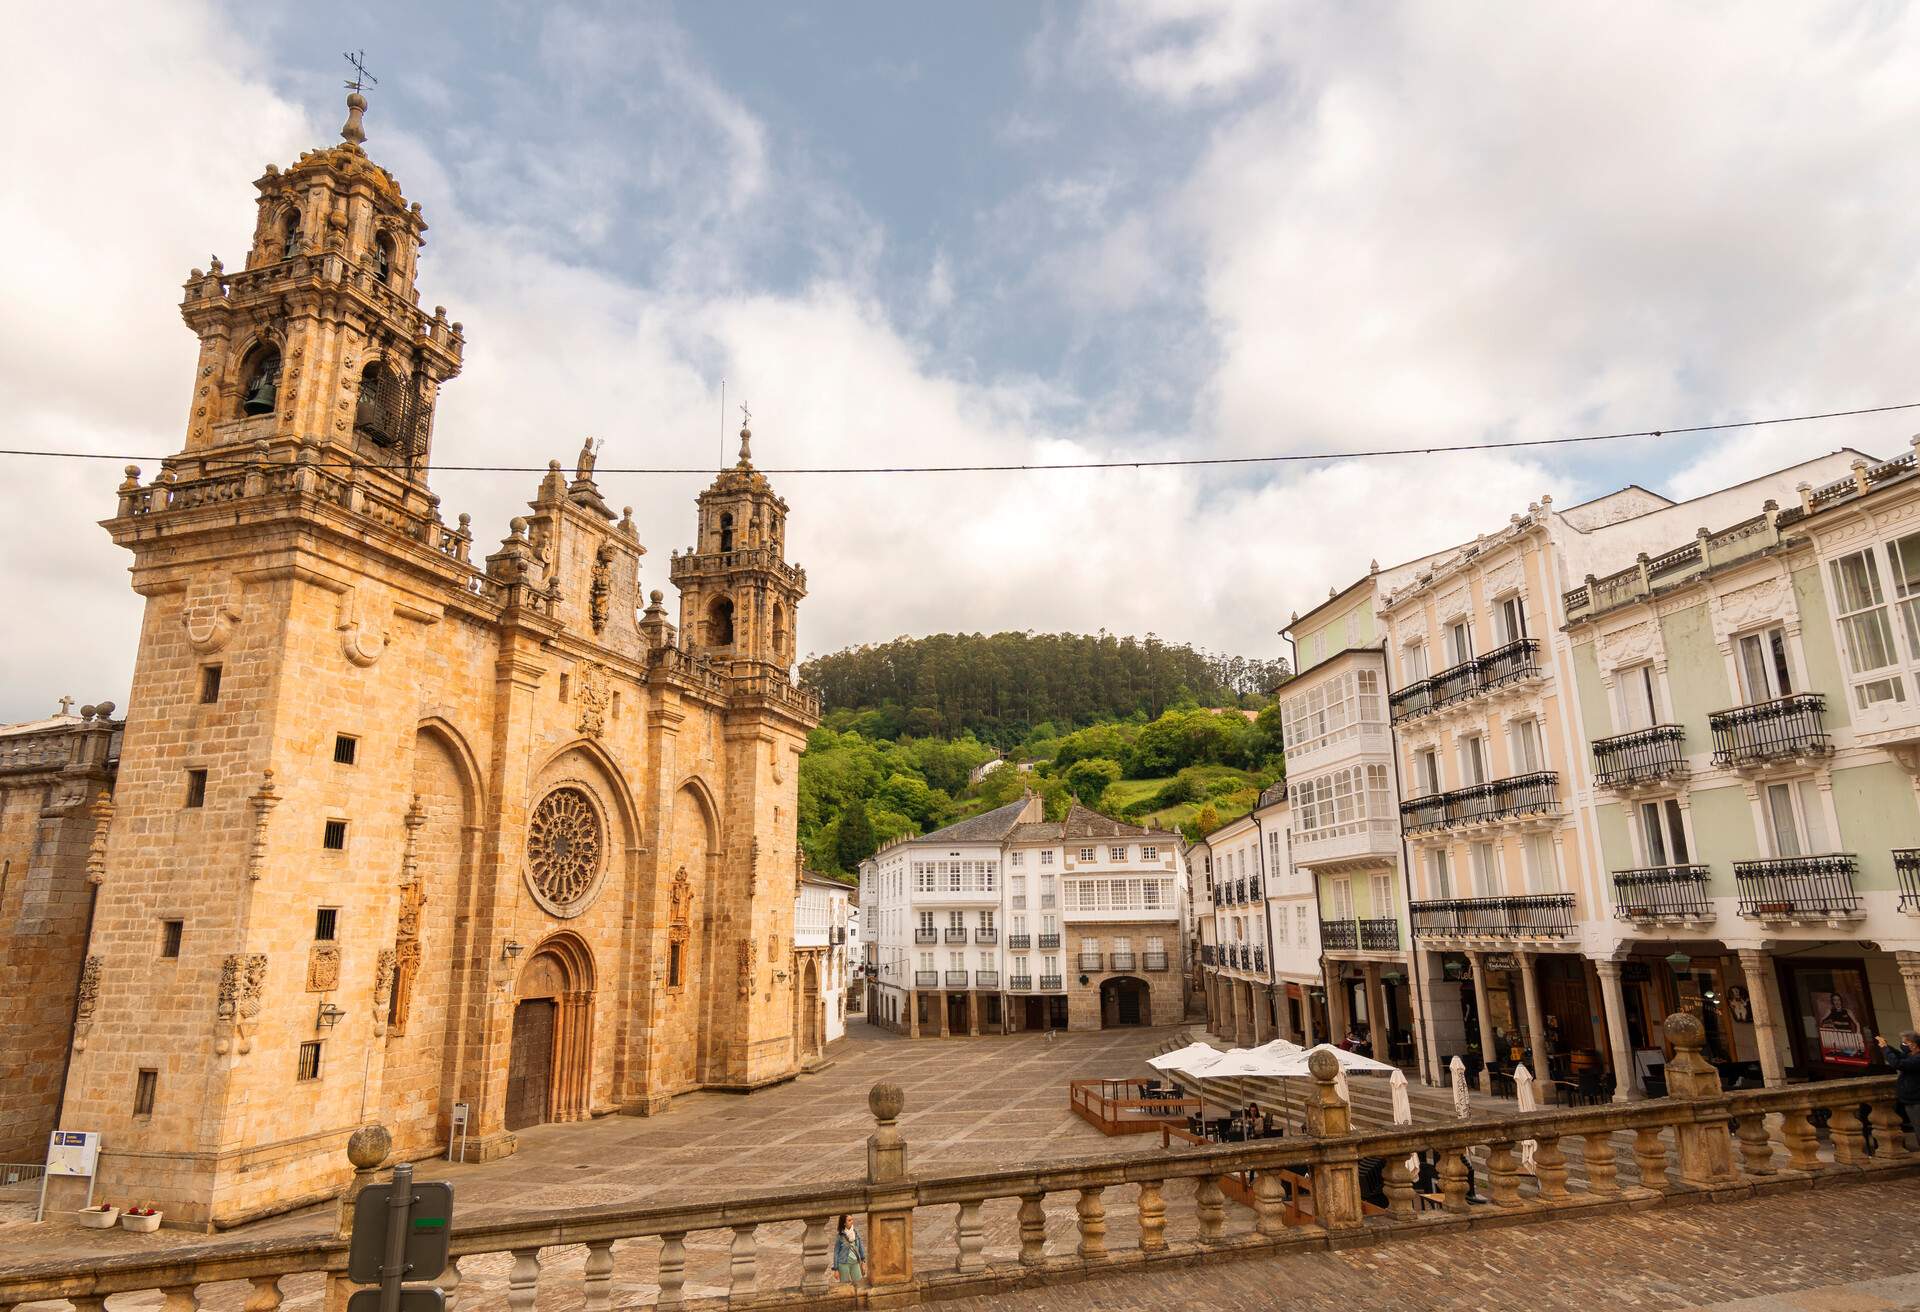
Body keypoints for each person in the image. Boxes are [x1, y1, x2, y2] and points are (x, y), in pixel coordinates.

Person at [1875, 1031, 1920, 1148]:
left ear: (1913, 1044)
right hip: (1910, 1100)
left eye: (1905, 1043)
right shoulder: (1912, 1056)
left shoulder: (1917, 1059)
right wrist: (1886, 1045)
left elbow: (1897, 1063)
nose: (1903, 1045)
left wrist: (1885, 1049)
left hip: (1917, 1101)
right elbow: (1900, 1055)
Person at [832, 1214, 865, 1286]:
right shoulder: (840, 1236)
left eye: (852, 1219)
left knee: (859, 1284)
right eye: (849, 1220)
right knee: (845, 1286)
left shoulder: (856, 1233)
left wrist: (863, 1261)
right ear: (844, 1223)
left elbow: (861, 1247)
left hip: (855, 1262)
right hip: (843, 1264)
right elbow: (836, 1252)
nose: (852, 1222)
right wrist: (836, 1269)